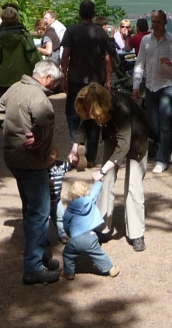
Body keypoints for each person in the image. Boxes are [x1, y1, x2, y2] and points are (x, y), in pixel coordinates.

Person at [0, 60, 64, 285]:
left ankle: (41, 255)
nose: (55, 87)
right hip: (32, 162)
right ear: (48, 79)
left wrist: (14, 133)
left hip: (13, 158)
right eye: (56, 83)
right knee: (40, 213)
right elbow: (43, 122)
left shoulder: (14, 88)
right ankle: (33, 268)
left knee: (30, 208)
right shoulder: (40, 98)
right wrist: (36, 137)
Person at [72, 83, 150, 252]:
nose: (87, 110)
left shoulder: (121, 108)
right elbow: (84, 123)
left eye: (89, 107)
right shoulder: (91, 108)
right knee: (105, 182)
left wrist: (101, 170)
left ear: (99, 104)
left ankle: (137, 234)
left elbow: (124, 144)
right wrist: (76, 146)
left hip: (136, 139)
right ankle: (103, 227)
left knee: (133, 186)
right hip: (113, 136)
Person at [132, 9, 172, 174]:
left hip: (168, 85)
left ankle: (161, 160)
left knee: (165, 124)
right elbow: (140, 63)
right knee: (152, 123)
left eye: (158, 22)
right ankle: (170, 145)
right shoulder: (146, 41)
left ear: (165, 22)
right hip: (151, 85)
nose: (155, 25)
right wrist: (136, 85)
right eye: (153, 21)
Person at [61, 0, 114, 166]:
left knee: (73, 115)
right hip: (95, 82)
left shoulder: (71, 30)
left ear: (79, 13)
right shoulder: (100, 32)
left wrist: (63, 76)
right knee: (94, 116)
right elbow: (107, 58)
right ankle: (91, 157)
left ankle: (76, 149)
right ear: (93, 14)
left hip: (76, 79)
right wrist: (108, 80)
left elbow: (66, 55)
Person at [60, 179, 121, 279]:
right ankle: (111, 269)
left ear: (71, 194)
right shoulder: (90, 200)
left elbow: (66, 222)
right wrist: (99, 181)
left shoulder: (70, 207)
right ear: (86, 191)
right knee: (98, 253)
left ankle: (69, 273)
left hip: (76, 238)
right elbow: (95, 191)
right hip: (91, 236)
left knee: (68, 254)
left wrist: (68, 232)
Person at [0, 7, 40, 94]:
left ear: (3, 19)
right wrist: (41, 75)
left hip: (2, 78)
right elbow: (33, 56)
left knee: (4, 105)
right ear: (17, 18)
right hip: (23, 77)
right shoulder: (24, 36)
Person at [47, 145, 74, 243]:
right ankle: (42, 237)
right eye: (47, 154)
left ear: (57, 155)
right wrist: (45, 181)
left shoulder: (61, 165)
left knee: (60, 217)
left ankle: (62, 234)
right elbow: (35, 180)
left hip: (57, 199)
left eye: (52, 154)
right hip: (45, 200)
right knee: (44, 220)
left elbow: (71, 166)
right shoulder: (41, 168)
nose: (49, 157)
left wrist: (75, 160)